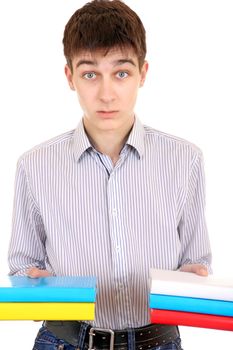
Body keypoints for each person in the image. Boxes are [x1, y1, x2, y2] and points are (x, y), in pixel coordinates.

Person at [8, 1, 212, 349]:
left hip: (157, 341)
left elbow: (197, 261)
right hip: (65, 340)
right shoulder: (34, 165)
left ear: (142, 74)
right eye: (90, 74)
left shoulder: (185, 160)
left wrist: (195, 280)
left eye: (121, 73)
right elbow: (22, 266)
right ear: (70, 76)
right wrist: (30, 283)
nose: (106, 94)